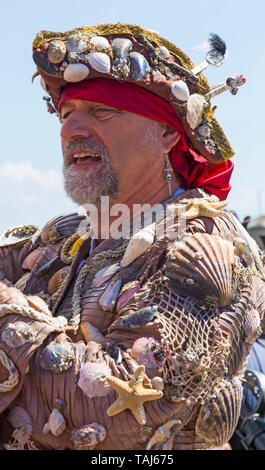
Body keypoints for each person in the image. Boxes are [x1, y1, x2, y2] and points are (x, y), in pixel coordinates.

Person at [0, 23, 264, 451]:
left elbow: (112, 418)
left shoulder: (209, 242)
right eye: (67, 114)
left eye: (103, 111)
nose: (71, 131)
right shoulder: (61, 235)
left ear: (168, 133)